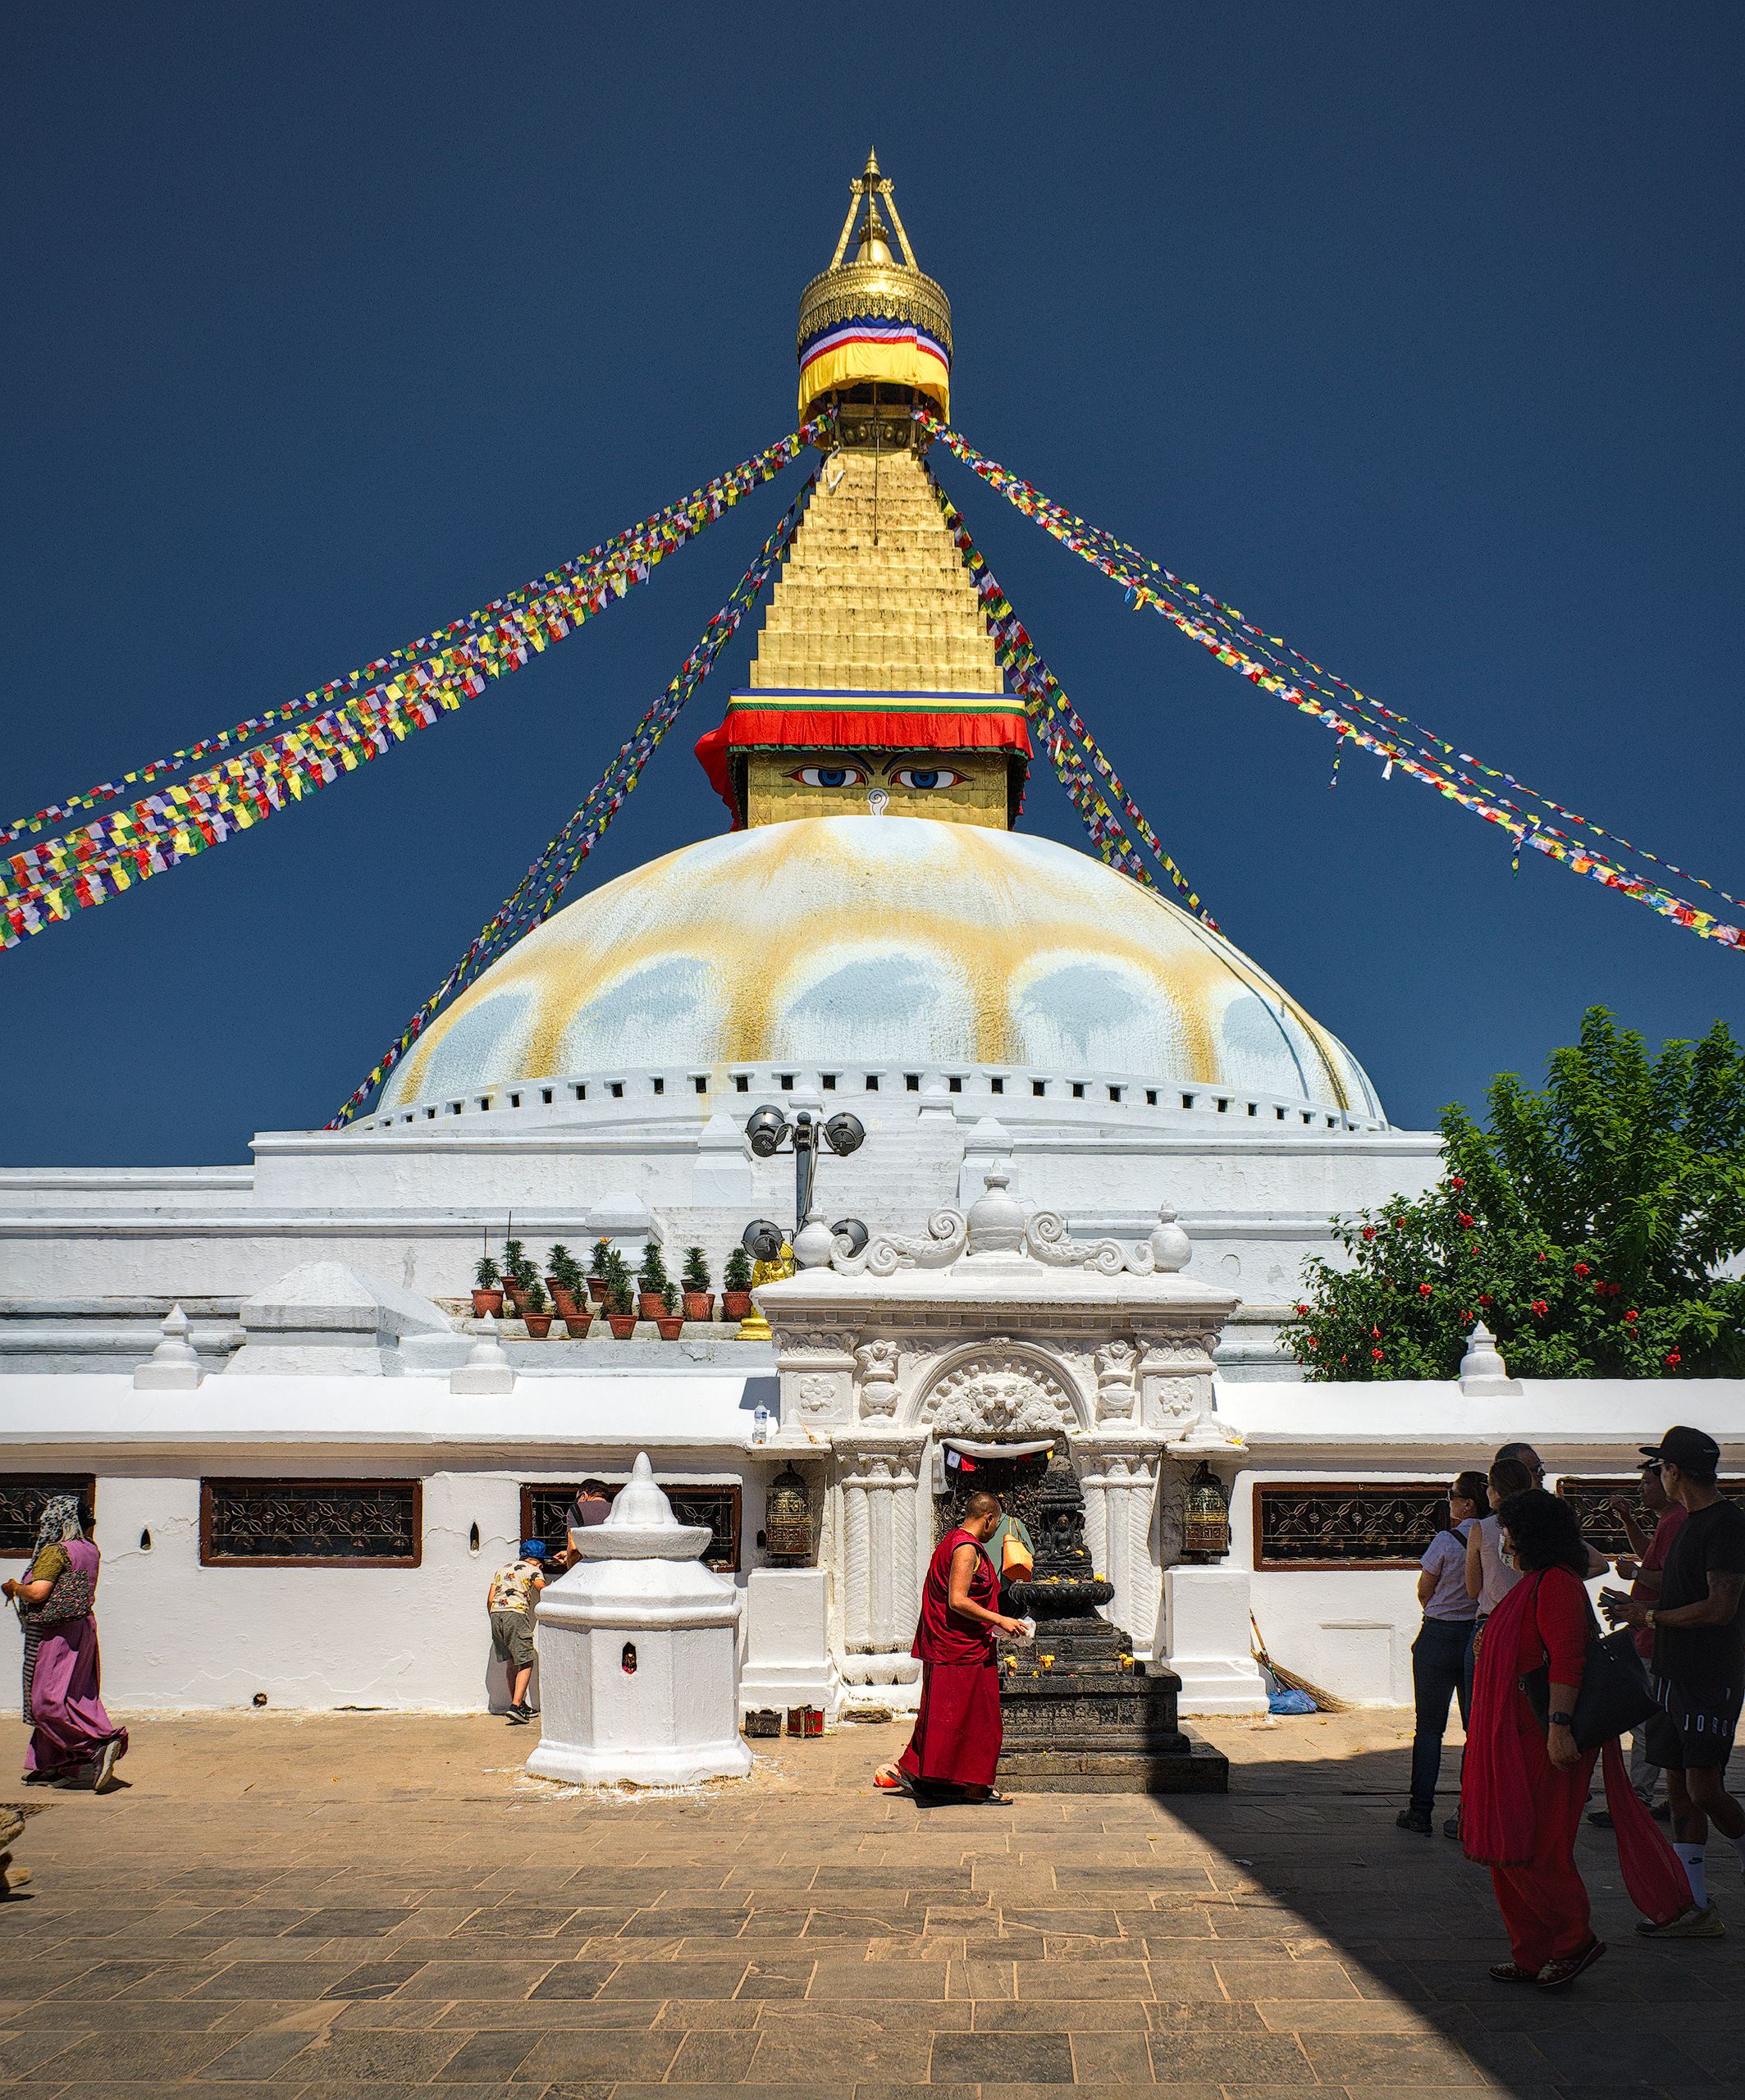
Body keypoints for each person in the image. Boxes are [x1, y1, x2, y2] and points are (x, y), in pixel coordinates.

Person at [1464, 1489, 1689, 1988]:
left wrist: (1559, 1729)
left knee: (1537, 1847)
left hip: (1547, 1736)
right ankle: (1531, 1951)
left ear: (1532, 1537)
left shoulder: (1557, 1585)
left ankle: (1572, 1941)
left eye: (1510, 1534)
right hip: (1515, 1735)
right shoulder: (1531, 1584)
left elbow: (1568, 1660)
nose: (1505, 1543)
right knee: (1508, 1846)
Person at [1601, 1427, 1745, 1938]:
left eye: (1660, 1467)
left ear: (1675, 1472)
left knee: (1706, 1790)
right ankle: (1695, 1906)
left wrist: (1651, 1617)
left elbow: (1719, 1607)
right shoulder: (1686, 1522)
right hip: (1671, 1673)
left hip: (1709, 1676)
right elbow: (1681, 1594)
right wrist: (1638, 1608)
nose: (1658, 1476)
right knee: (1680, 1794)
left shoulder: (1726, 1524)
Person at [887, 1491, 1026, 1805]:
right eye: (996, 1524)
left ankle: (931, 1779)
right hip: (961, 1649)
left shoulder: (951, 1540)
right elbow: (957, 1600)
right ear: (988, 1519)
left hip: (954, 1645)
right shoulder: (965, 1548)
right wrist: (1000, 1620)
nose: (995, 1530)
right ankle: (975, 1787)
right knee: (981, 1722)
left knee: (945, 1719)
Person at [2, 1494, 126, 1792]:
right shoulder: (89, 1549)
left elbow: (38, 1593)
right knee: (72, 1696)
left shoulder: (55, 1552)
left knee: (45, 1701)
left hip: (55, 1634)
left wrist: (15, 1588)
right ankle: (53, 1764)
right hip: (82, 1628)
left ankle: (94, 1747)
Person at [1587, 1459, 1683, 1827]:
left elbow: (1672, 1581)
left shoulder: (1676, 1521)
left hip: (1653, 1635)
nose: (1641, 1488)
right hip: (1645, 1631)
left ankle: (1638, 1799)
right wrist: (1628, 1521)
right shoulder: (1668, 1521)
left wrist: (1636, 1576)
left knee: (1644, 1722)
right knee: (1657, 1720)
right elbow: (1651, 1558)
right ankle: (1674, 1794)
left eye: (1648, 1482)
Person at [1397, 1472, 1485, 1836]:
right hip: (1476, 1635)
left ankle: (1420, 1810)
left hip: (1438, 1634)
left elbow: (1425, 1588)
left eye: (1453, 1495)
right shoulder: (1495, 1538)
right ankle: (1467, 1811)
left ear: (1468, 1504)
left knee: (1429, 1729)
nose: (1449, 1501)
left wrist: (1438, 1610)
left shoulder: (1446, 1541)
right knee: (1474, 1728)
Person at [1496, 1445, 1611, 1577]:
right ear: (1515, 1474)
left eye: (1540, 1467)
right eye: (1535, 1469)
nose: (1542, 1473)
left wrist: (1552, 1581)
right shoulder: (1487, 1523)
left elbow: (1598, 1564)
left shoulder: (1545, 1516)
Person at [486, 1539, 548, 1723]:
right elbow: (542, 1589)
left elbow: (490, 1599)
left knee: (512, 1662)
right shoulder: (534, 1570)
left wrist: (496, 1616)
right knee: (527, 1661)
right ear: (539, 1561)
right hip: (515, 1614)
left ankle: (520, 1706)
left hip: (496, 1615)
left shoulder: (502, 1569)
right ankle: (515, 1706)